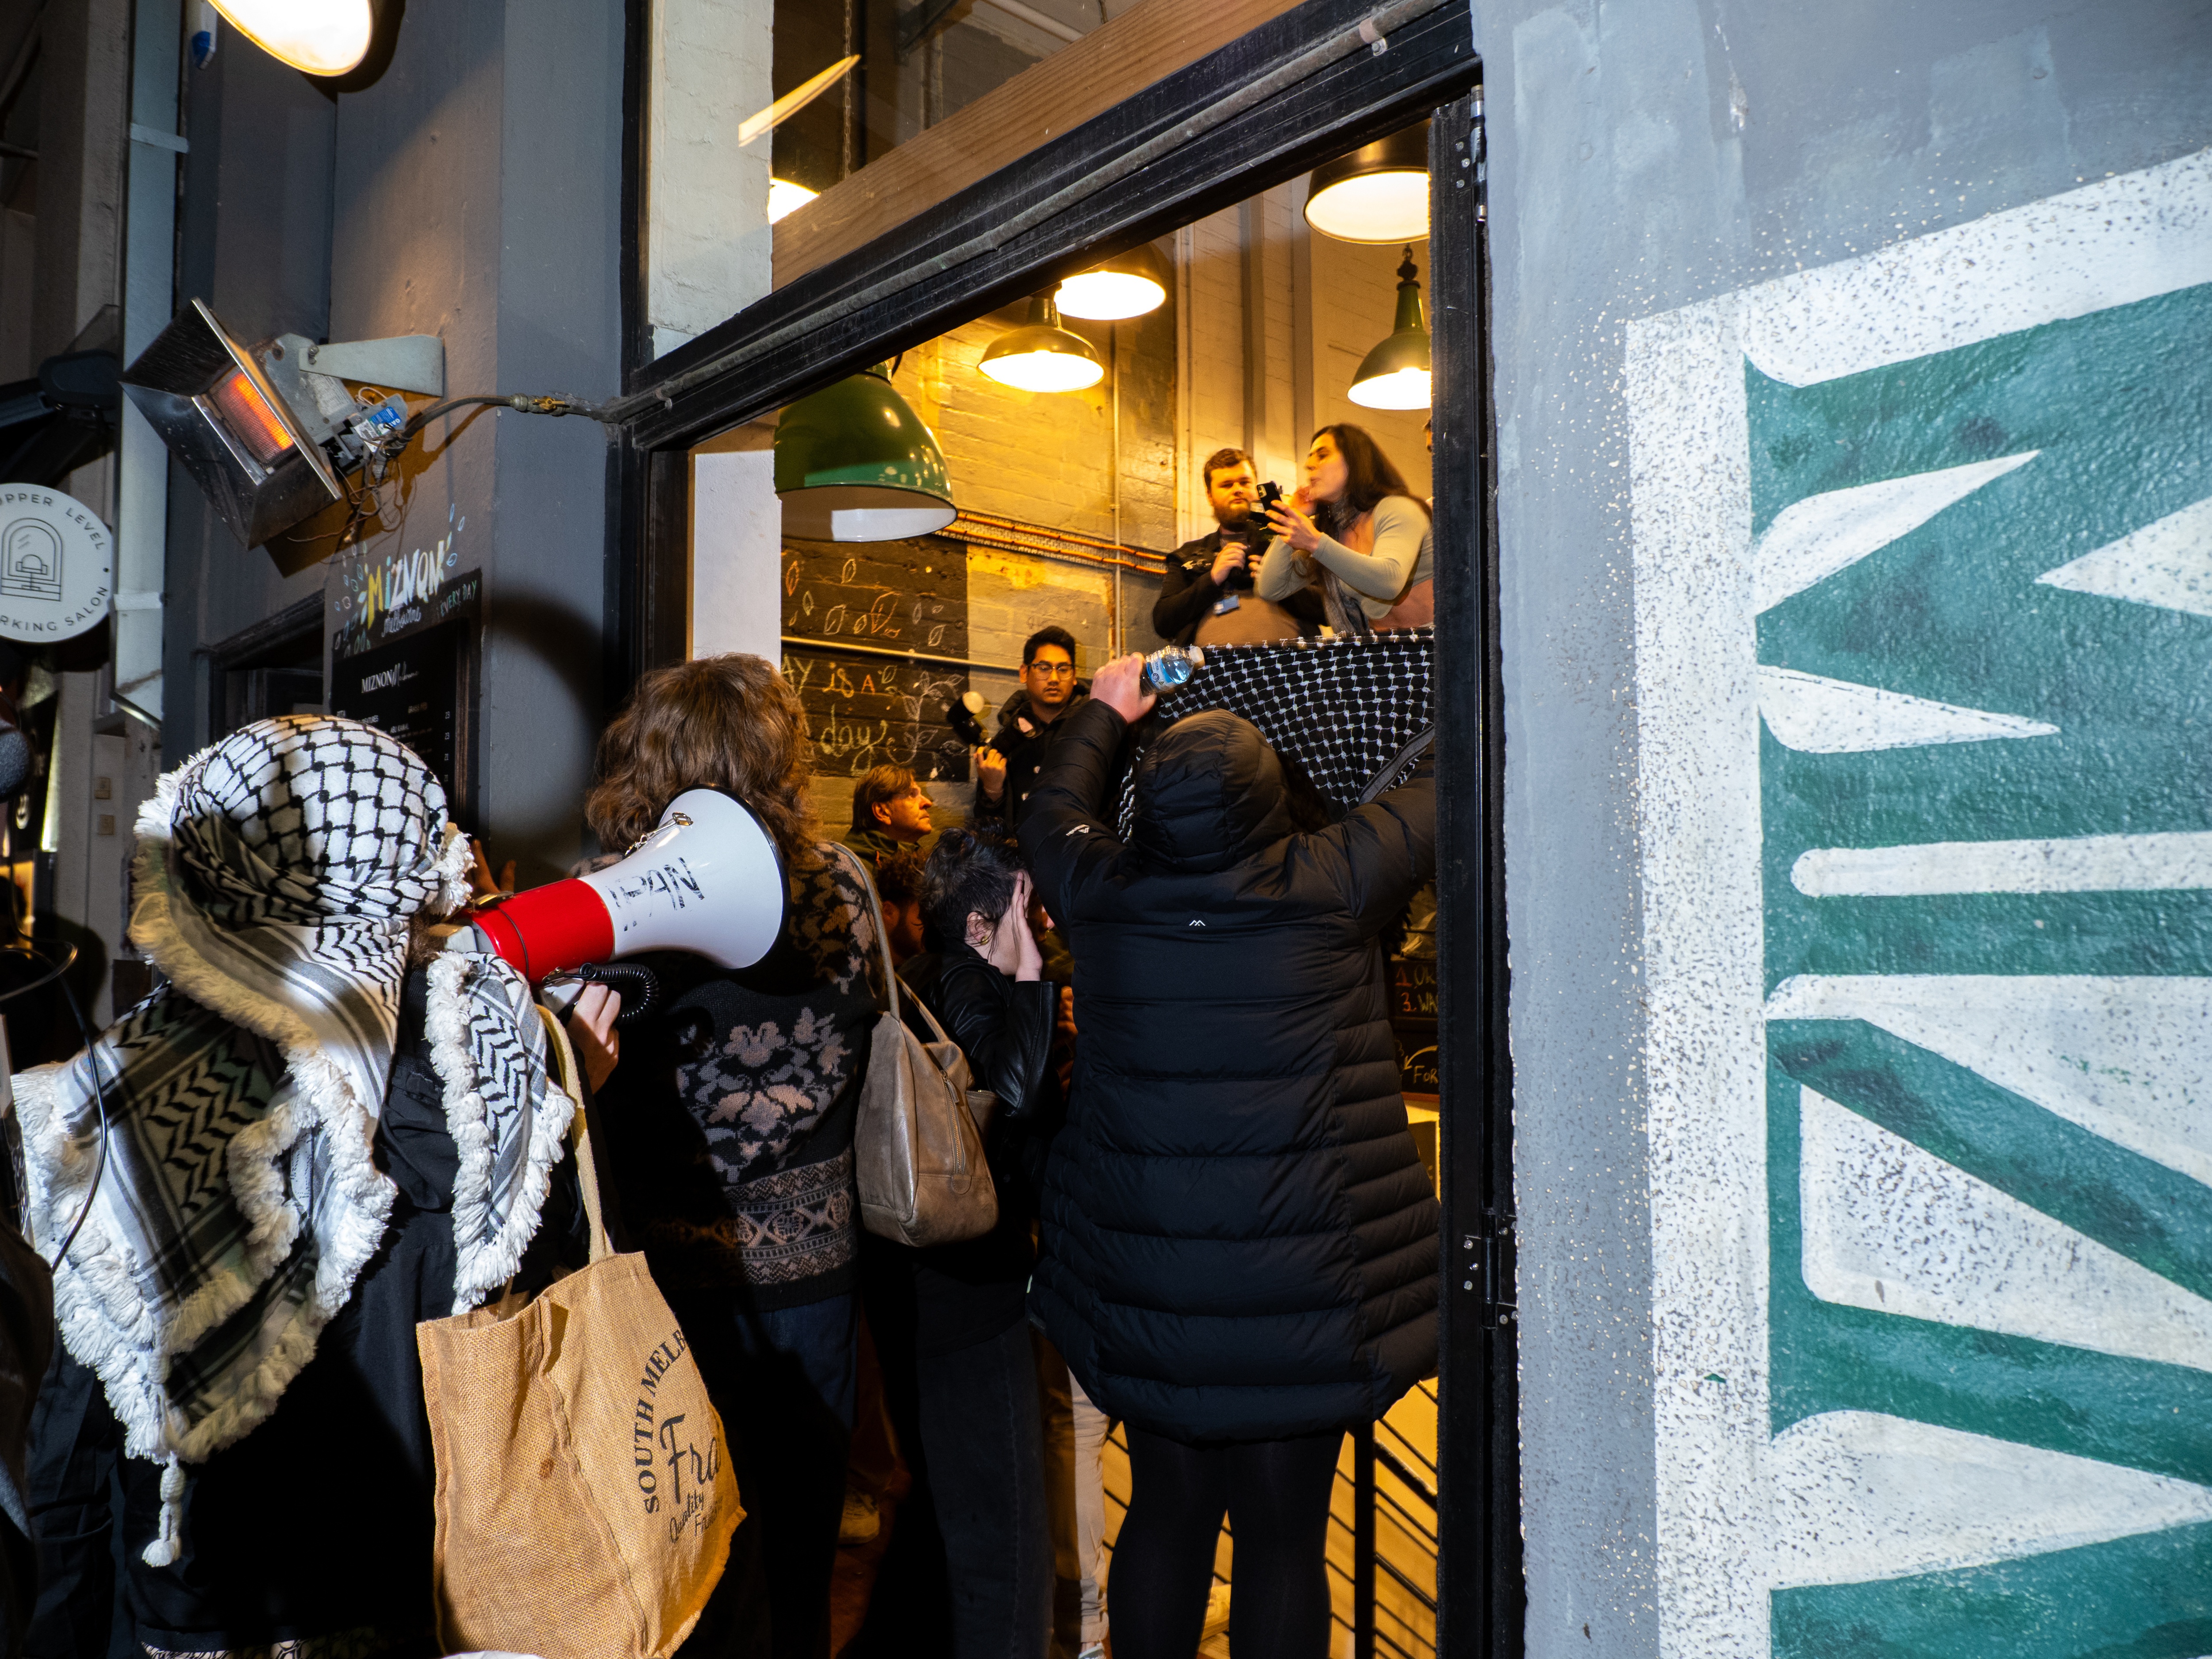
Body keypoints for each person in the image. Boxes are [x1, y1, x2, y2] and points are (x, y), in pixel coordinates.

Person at [14, 716, 597, 1659]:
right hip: (434, 1590)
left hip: (203, 1608)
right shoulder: (498, 1078)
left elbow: (70, 1449)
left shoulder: (120, 1097)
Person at [1018, 655, 1439, 1659]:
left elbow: (1052, 809)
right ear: (1268, 798)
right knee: (1285, 1535)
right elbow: (1448, 783)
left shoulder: (1101, 892)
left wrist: (1105, 710)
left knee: (1165, 1512)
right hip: (1307, 1289)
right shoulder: (1338, 878)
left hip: (1149, 1283)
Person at [584, 653, 882, 1659]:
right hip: (816, 1275)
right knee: (799, 1558)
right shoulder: (844, 882)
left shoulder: (615, 899)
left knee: (685, 1567)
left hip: (665, 1285)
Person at [853, 829, 1059, 1659]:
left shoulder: (924, 980)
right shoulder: (971, 985)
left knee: (946, 1511)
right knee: (1004, 1544)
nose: (1042, 924)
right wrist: (1034, 981)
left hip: (923, 1289)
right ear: (980, 926)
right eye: (1026, 910)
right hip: (968, 1296)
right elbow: (1018, 1096)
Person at [1256, 424, 1435, 634]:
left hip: (1436, 643)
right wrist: (1293, 518)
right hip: (1380, 648)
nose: (1309, 465)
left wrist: (1315, 543)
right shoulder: (1332, 532)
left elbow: (1389, 582)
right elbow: (1270, 588)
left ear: (1354, 461)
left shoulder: (1399, 507)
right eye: (1310, 457)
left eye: (1322, 455)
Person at [1153, 448, 1324, 648]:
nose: (1237, 490)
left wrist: (1278, 581)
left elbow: (1330, 610)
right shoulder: (1187, 557)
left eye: (1245, 482)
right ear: (1209, 496)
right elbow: (1163, 623)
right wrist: (1212, 580)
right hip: (1213, 667)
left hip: (1291, 663)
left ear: (1257, 489)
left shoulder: (1295, 544)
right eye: (1226, 485)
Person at [972, 626, 1087, 834]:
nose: (1054, 678)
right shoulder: (1008, 741)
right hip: (1023, 853)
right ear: (1024, 673)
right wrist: (992, 790)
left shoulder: (1095, 729)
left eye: (1063, 669)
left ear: (1074, 676)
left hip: (1085, 850)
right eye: (1044, 668)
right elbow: (987, 833)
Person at [848, 763, 935, 868]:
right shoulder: (853, 870)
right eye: (911, 795)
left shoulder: (912, 858)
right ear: (882, 812)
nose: (928, 803)